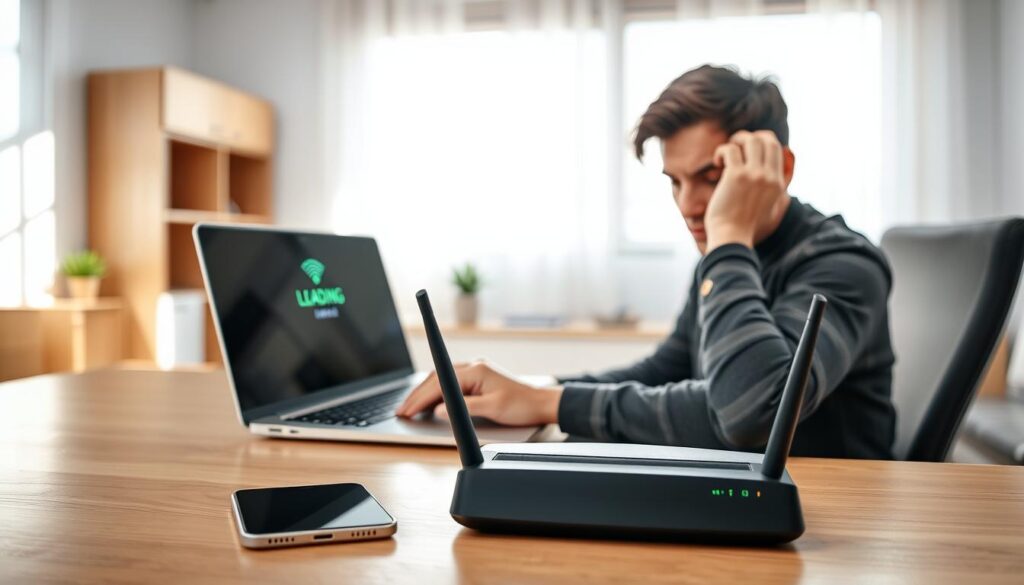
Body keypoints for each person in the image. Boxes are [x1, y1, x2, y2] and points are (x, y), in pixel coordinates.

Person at [397, 64, 897, 459]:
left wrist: (551, 405)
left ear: (779, 168)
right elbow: (669, 368)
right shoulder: (727, 260)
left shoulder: (844, 264)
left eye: (710, 176)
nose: (688, 205)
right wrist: (535, 388)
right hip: (740, 491)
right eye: (675, 182)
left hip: (837, 510)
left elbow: (753, 412)